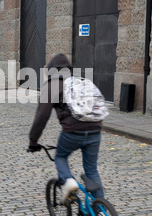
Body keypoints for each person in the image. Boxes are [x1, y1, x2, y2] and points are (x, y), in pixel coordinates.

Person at [28, 53, 104, 204]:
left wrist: (33, 141)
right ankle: (101, 212)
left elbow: (41, 117)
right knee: (92, 170)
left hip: (73, 131)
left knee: (60, 156)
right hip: (95, 128)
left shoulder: (51, 86)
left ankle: (68, 181)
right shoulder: (81, 81)